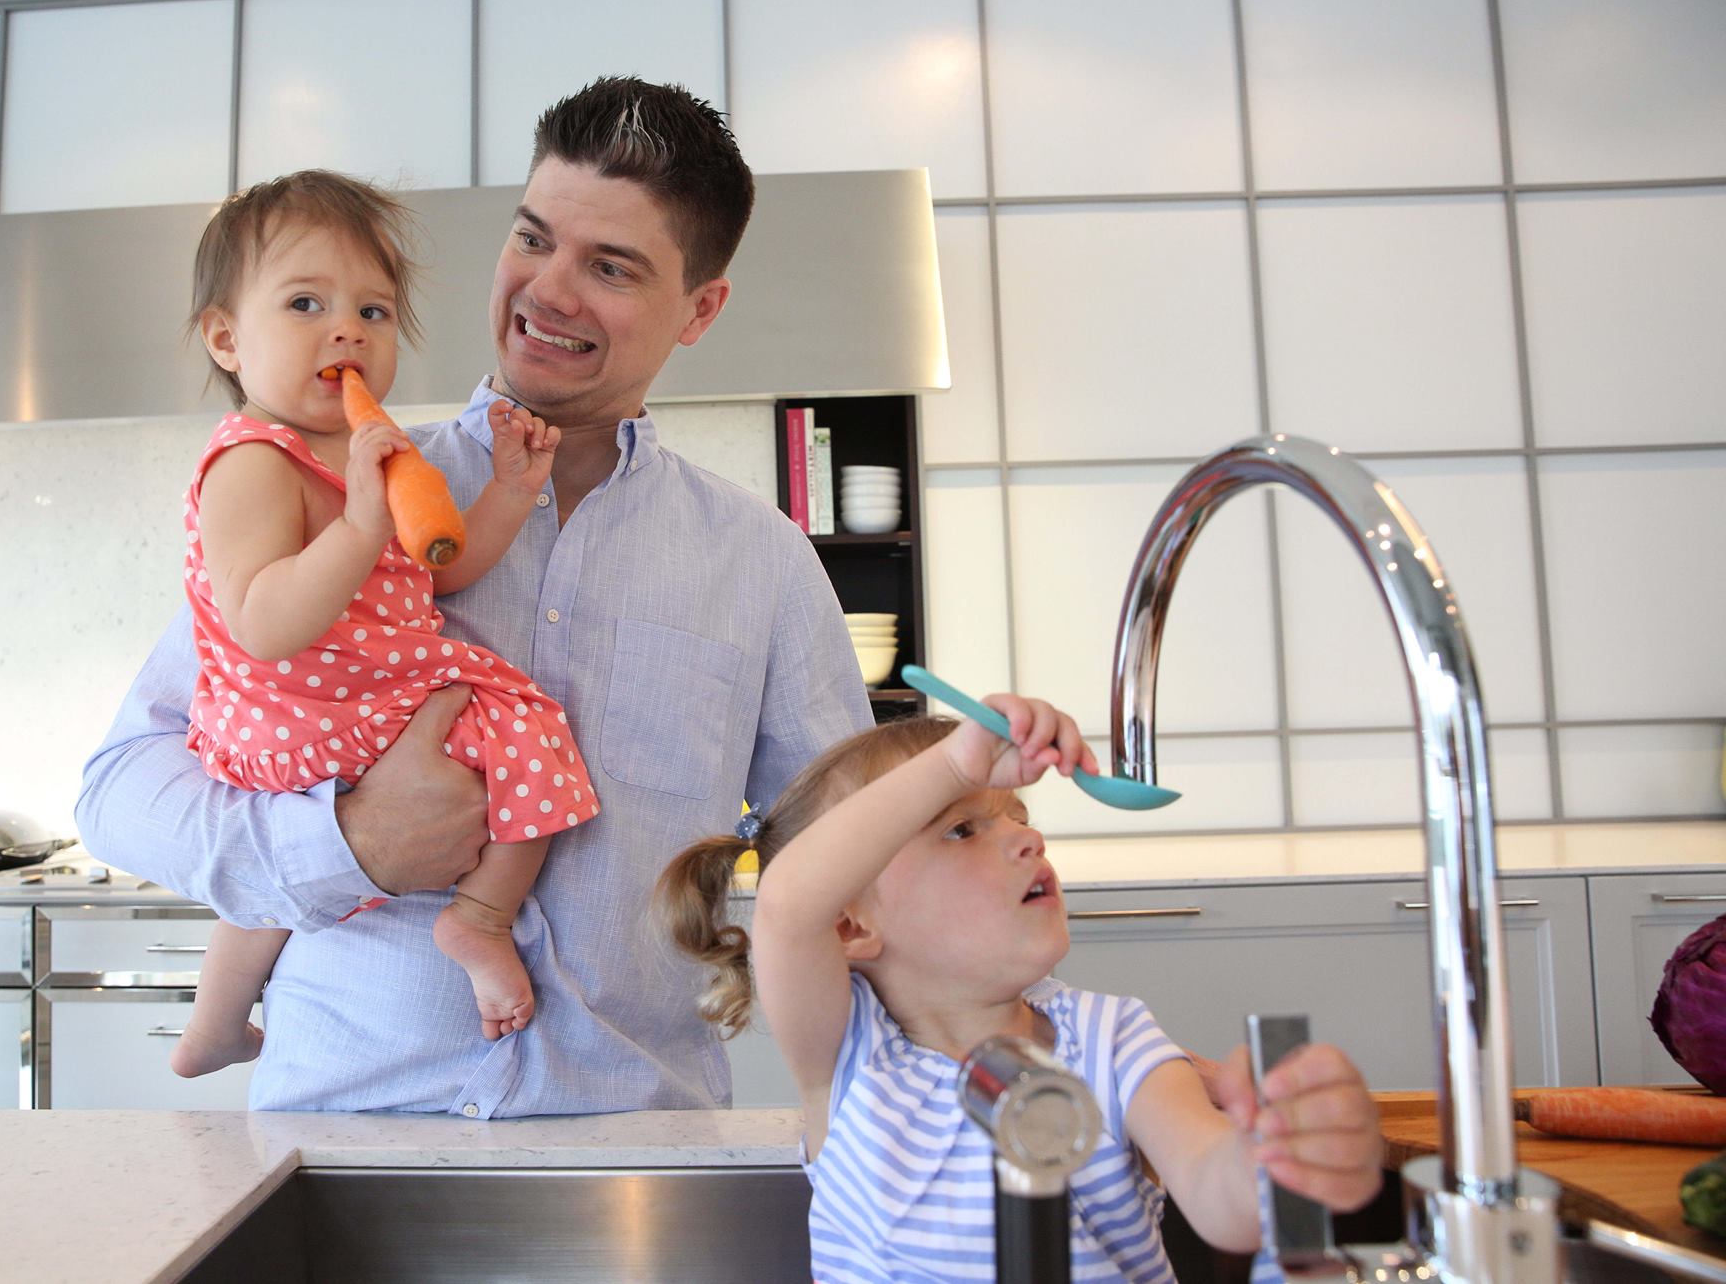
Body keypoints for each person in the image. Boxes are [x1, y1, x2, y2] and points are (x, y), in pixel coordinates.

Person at [77, 76, 871, 1114]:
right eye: (532, 239)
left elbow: (848, 851)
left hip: (633, 1146)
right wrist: (347, 842)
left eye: (610, 266)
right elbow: (118, 794)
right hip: (344, 1132)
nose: (548, 291)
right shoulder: (331, 491)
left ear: (699, 309)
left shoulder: (761, 563)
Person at [657, 696, 1384, 1283]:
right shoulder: (850, 1059)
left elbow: (1222, 1199)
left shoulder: (1113, 1039)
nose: (1027, 840)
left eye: (1019, 818)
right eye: (962, 829)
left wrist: (1283, 1156)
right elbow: (789, 904)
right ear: (851, 924)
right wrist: (953, 762)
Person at [168, 170, 601, 1077]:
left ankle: (215, 1026)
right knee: (532, 730)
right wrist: (362, 522)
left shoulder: (364, 454)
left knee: (282, 894)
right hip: (319, 712)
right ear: (226, 337)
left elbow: (436, 569)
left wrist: (509, 491)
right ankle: (479, 917)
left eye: (373, 311)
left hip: (337, 717)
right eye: (305, 303)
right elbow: (260, 622)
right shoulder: (254, 462)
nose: (347, 330)